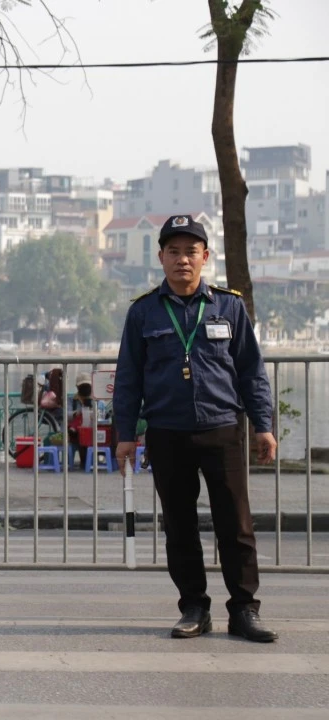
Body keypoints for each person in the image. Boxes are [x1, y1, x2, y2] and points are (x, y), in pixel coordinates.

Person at [113, 214, 277, 643]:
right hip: (167, 433)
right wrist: (125, 435)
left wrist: (264, 425)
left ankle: (244, 610)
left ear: (205, 257)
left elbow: (251, 372)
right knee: (180, 525)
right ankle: (193, 607)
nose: (182, 260)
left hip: (223, 429)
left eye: (191, 251)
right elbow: (129, 377)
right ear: (161, 258)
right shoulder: (143, 311)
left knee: (235, 524)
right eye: (173, 251)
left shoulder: (229, 306)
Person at [67, 372, 96, 470]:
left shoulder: (96, 399)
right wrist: (77, 413)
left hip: (93, 431)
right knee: (81, 436)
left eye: (87, 386)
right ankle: (85, 462)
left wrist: (93, 410)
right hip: (77, 433)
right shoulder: (72, 400)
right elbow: (66, 415)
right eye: (83, 386)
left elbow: (102, 413)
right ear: (77, 387)